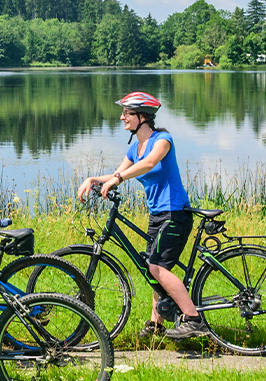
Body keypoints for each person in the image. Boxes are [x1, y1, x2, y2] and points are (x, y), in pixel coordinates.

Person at [76, 91, 209, 340]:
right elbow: (118, 173)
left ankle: (193, 319)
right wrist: (93, 179)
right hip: (157, 215)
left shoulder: (163, 140)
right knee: (153, 267)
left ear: (142, 117)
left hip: (175, 213)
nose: (122, 117)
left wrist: (117, 178)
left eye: (126, 113)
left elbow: (148, 164)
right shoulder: (135, 149)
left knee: (157, 267)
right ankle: (156, 324)